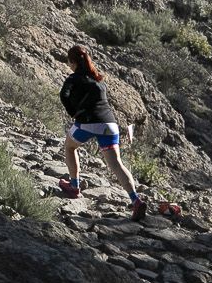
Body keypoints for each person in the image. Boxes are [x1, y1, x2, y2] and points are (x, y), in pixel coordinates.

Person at [56, 44, 148, 220]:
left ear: (72, 62)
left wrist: (73, 112)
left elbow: (64, 95)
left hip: (87, 123)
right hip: (110, 124)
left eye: (69, 62)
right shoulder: (98, 80)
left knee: (69, 147)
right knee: (116, 164)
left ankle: (74, 187)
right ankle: (136, 200)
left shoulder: (74, 78)